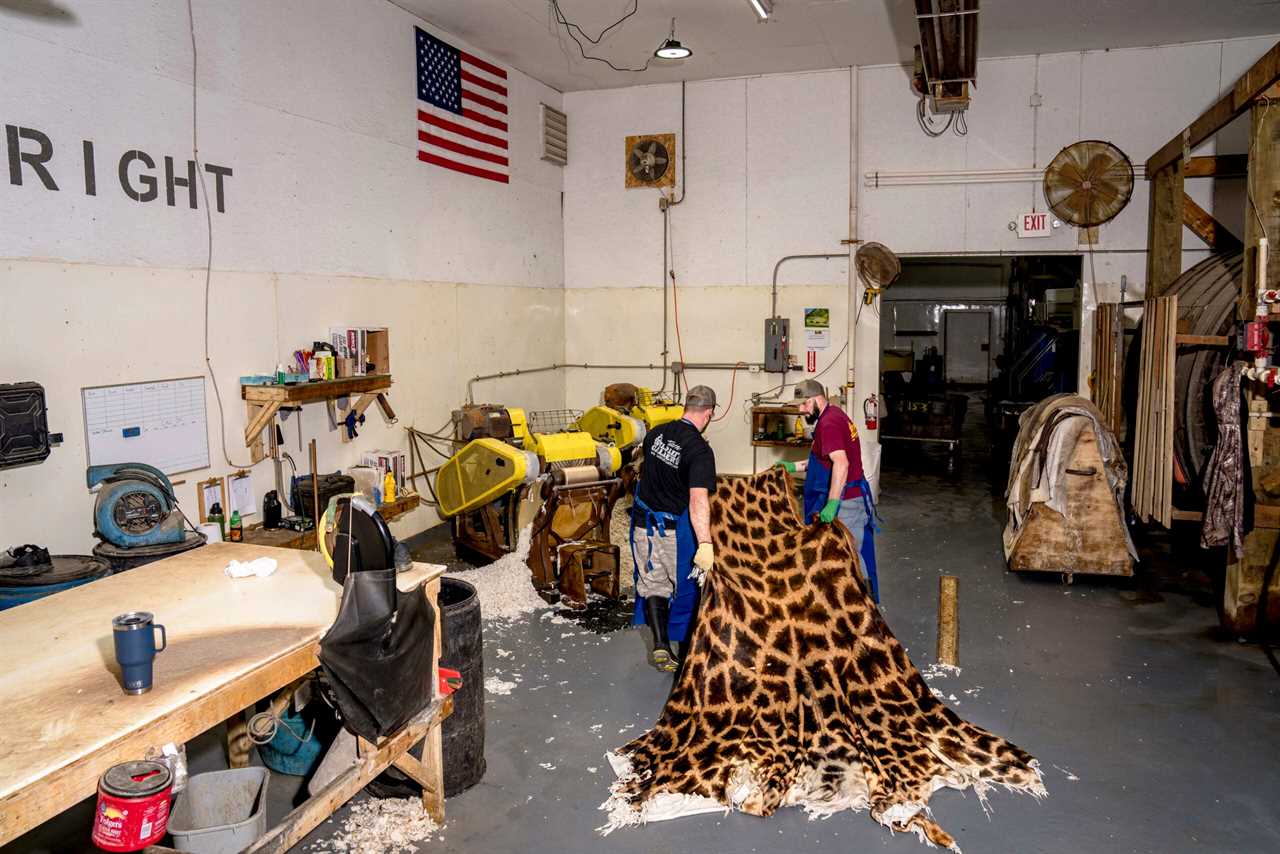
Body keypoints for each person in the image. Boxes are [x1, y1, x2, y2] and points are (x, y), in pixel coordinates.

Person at [630, 384, 718, 672]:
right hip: (672, 532)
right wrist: (705, 543)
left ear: (685, 407)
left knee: (653, 584)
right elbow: (698, 501)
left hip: (644, 526)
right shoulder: (699, 450)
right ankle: (686, 657)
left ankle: (660, 644)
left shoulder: (655, 434)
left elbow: (648, 473)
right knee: (686, 590)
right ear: (708, 413)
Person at [776, 379, 880, 601]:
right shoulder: (831, 414)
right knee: (836, 556)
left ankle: (864, 606)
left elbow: (841, 464)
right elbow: (821, 459)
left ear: (814, 399)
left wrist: (833, 504)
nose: (801, 411)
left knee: (848, 556)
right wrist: (792, 466)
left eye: (803, 405)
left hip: (846, 502)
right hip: (847, 498)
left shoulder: (829, 424)